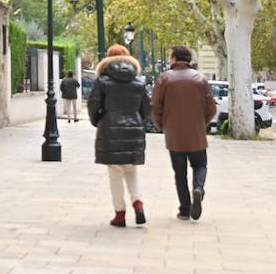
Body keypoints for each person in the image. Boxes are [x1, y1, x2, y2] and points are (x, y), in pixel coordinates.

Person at [88, 44, 151, 228]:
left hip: (110, 128)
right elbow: (147, 109)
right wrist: (138, 120)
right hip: (134, 128)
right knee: (131, 169)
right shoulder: (139, 82)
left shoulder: (102, 81)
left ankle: (120, 213)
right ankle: (137, 203)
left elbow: (93, 105)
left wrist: (99, 120)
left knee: (115, 172)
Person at [152, 45, 217, 222]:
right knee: (200, 165)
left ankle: (185, 208)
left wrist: (162, 126)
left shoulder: (164, 79)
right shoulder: (200, 79)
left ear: (174, 58)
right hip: (196, 133)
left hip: (174, 134)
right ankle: (198, 188)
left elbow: (156, 107)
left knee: (179, 173)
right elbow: (211, 109)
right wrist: (201, 123)